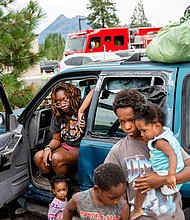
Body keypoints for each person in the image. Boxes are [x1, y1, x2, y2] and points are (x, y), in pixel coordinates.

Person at [104, 88, 190, 220]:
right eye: (121, 122)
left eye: (131, 120)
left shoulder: (164, 142)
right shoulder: (118, 151)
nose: (127, 127)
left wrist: (160, 180)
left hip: (173, 216)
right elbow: (116, 190)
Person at [130, 103, 185, 220]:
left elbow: (172, 156)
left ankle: (137, 209)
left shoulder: (160, 142)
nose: (142, 134)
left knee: (140, 183)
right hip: (169, 171)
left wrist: (170, 176)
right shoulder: (166, 133)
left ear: (157, 127)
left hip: (167, 171)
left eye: (144, 130)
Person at [34, 82, 93, 177]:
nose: (62, 104)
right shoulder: (58, 114)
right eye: (58, 102)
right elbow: (56, 139)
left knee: (56, 158)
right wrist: (48, 148)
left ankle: (66, 184)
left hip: (82, 148)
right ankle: (55, 184)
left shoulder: (81, 105)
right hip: (66, 146)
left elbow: (94, 91)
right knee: (39, 157)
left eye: (65, 100)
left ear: (72, 96)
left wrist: (81, 111)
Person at [63, 163, 129, 220]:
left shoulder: (122, 207)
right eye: (112, 198)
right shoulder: (79, 199)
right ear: (96, 189)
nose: (117, 202)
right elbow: (68, 210)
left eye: (120, 196)